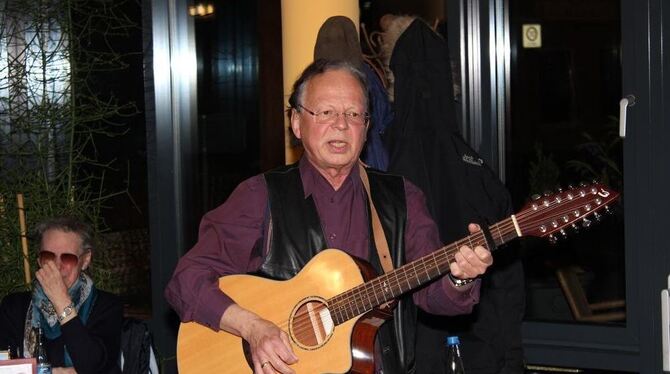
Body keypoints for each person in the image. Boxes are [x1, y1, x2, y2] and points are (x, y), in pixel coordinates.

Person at [164, 59, 493, 374]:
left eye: (353, 114)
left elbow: (436, 298)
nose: (341, 124)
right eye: (326, 112)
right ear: (296, 123)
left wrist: (460, 277)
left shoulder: (402, 198)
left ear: (366, 129)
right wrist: (253, 328)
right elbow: (187, 280)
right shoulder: (259, 196)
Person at [0, 216, 123, 374]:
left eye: (67, 258)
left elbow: (92, 365)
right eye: (48, 257)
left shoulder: (106, 306)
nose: (57, 266)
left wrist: (62, 302)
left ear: (85, 260)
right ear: (39, 260)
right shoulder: (14, 307)